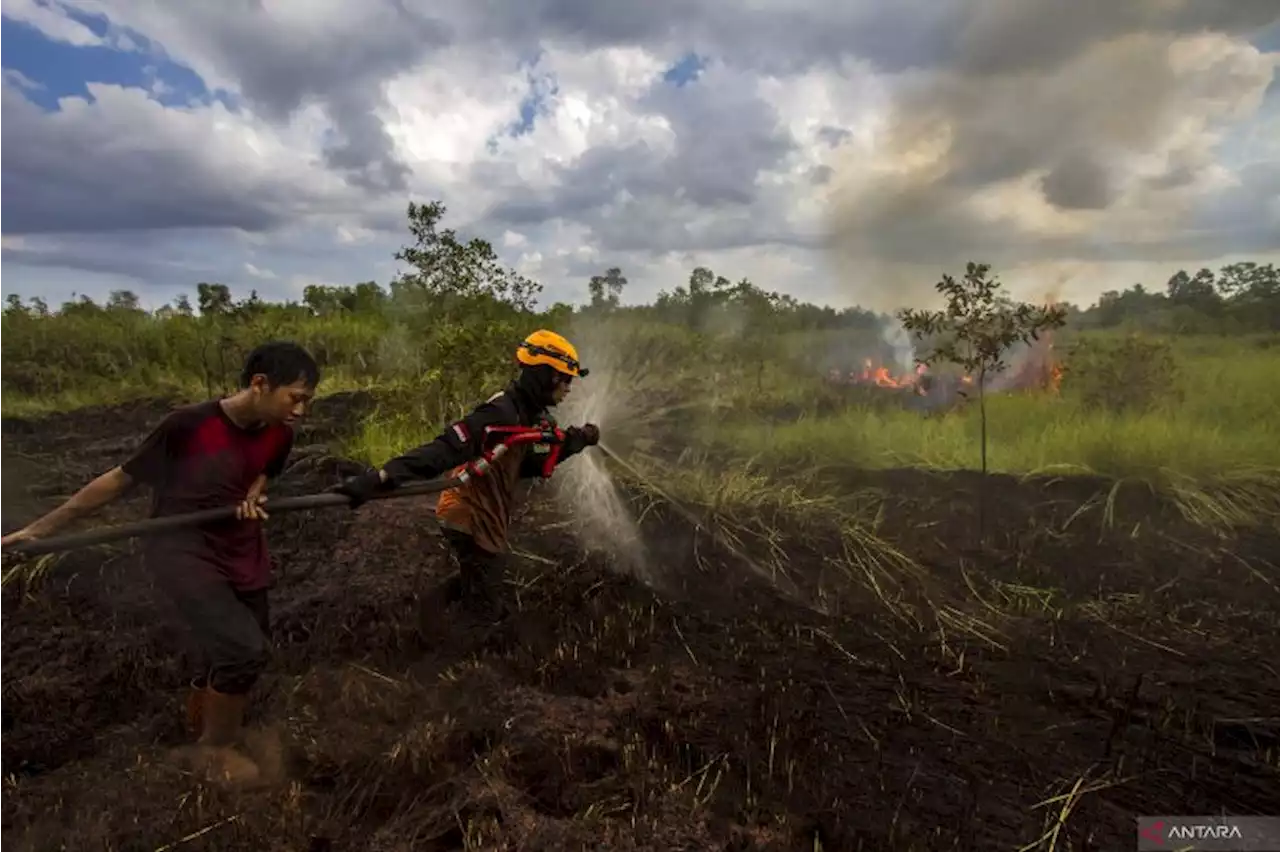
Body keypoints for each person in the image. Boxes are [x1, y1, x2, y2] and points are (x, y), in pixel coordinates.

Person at [0, 340, 320, 786]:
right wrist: (43, 529)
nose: (301, 411)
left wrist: (255, 490)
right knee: (243, 649)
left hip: (241, 547)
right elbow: (118, 480)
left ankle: (202, 721)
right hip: (182, 547)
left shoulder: (280, 431)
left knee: (249, 641)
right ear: (260, 384)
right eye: (296, 398)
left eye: (307, 401)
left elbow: (269, 467)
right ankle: (214, 750)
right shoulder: (188, 426)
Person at [334, 329, 600, 624]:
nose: (568, 387)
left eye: (570, 380)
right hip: (470, 516)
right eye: (563, 378)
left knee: (479, 582)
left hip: (485, 516)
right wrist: (382, 477)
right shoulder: (500, 412)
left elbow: (530, 465)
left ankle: (431, 615)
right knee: (485, 608)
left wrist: (573, 443)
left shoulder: (532, 417)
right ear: (541, 375)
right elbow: (445, 448)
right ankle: (444, 648)